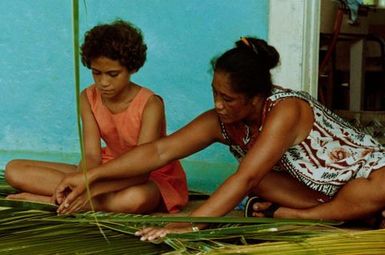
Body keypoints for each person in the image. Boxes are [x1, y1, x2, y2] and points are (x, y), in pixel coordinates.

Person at [54, 37, 385, 240]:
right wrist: (92, 175)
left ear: (256, 98)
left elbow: (246, 176)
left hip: (364, 177)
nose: (218, 105)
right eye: (215, 93)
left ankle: (300, 216)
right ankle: (353, 214)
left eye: (228, 99)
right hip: (315, 192)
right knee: (260, 182)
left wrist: (192, 224)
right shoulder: (221, 121)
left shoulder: (286, 110)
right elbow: (158, 151)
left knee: (379, 186)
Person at [4, 19, 188, 214]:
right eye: (96, 73)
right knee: (14, 169)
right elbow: (92, 156)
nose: (103, 82)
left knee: (136, 199)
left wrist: (89, 188)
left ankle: (52, 201)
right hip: (103, 169)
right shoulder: (88, 97)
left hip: (149, 177)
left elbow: (142, 171)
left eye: (112, 74)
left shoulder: (151, 104)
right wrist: (81, 180)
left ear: (132, 68)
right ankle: (76, 199)